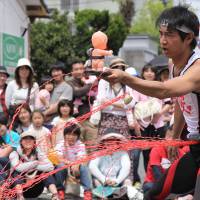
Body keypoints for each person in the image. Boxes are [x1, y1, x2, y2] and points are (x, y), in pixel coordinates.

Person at [106, 5, 200, 199]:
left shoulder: (197, 68)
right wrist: (173, 135)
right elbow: (182, 99)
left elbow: (165, 90)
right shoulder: (173, 63)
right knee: (154, 193)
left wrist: (126, 78)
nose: (163, 41)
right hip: (196, 147)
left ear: (189, 37)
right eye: (161, 34)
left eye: (170, 35)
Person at [9, 131, 59, 200]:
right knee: (15, 172)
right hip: (18, 189)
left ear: (34, 142)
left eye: (30, 139)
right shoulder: (14, 153)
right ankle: (20, 196)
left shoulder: (39, 153)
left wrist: (35, 166)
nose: (28, 141)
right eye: (25, 139)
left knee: (45, 172)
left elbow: (50, 167)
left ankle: (55, 195)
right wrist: (35, 163)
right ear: (21, 142)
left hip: (35, 189)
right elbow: (18, 168)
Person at [97, 58, 135, 137]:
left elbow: (131, 104)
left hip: (122, 119)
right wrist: (121, 105)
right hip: (106, 118)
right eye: (116, 67)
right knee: (106, 144)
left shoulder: (127, 82)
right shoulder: (104, 82)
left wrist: (110, 103)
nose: (119, 70)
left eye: (121, 68)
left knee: (122, 146)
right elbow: (101, 100)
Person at [54, 124, 92, 200]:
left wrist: (76, 165)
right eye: (68, 134)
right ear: (64, 135)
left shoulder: (80, 144)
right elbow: (59, 158)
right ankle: (60, 190)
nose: (71, 137)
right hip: (65, 166)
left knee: (84, 168)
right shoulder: (60, 144)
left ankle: (87, 192)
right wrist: (72, 164)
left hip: (76, 167)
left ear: (78, 136)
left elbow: (81, 158)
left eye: (74, 134)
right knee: (60, 166)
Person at [89, 133, 131, 199]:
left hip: (118, 181)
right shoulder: (98, 153)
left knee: (128, 181)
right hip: (103, 182)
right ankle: (103, 197)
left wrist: (117, 181)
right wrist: (104, 180)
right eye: (108, 141)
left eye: (113, 141)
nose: (110, 143)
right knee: (96, 181)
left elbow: (126, 168)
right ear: (104, 142)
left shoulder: (123, 153)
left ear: (117, 142)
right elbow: (92, 166)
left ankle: (122, 196)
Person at [67, 60, 97, 148]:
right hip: (77, 121)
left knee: (92, 148)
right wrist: (90, 84)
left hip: (90, 120)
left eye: (81, 69)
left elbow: (93, 97)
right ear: (72, 71)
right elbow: (78, 93)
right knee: (79, 149)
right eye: (76, 69)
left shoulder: (86, 80)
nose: (79, 71)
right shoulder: (69, 83)